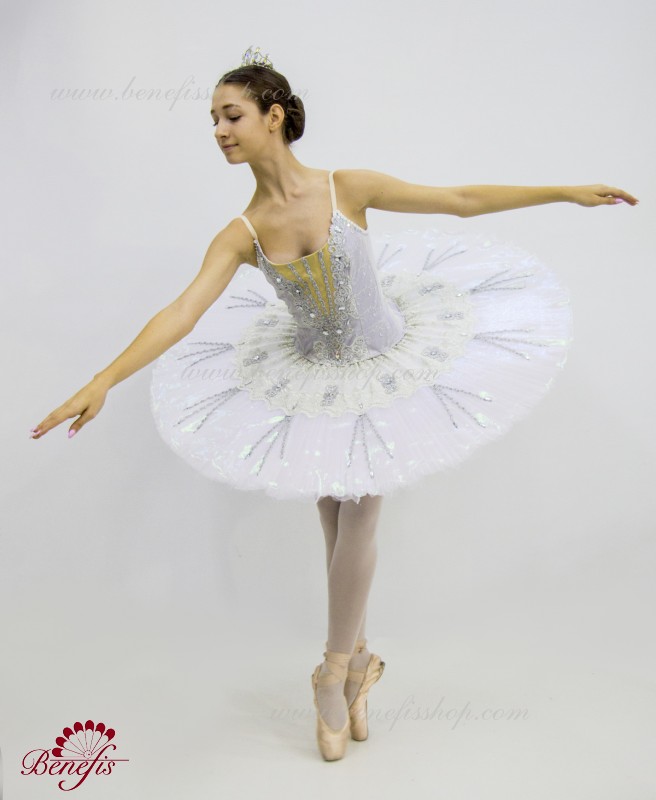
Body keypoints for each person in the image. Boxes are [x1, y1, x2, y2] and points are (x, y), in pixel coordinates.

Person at [29, 45, 638, 761]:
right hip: (315, 382)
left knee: (360, 515)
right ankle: (361, 663)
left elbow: (460, 200)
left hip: (387, 367)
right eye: (213, 119)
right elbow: (183, 312)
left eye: (232, 115)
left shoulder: (346, 187)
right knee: (336, 523)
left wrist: (564, 191)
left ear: (273, 116)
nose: (219, 130)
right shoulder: (242, 233)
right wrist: (104, 379)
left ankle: (331, 672)